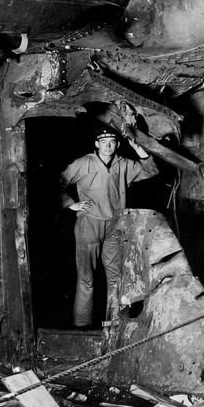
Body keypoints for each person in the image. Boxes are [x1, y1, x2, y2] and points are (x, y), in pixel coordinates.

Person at [60, 126, 159, 328]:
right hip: (90, 224)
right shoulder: (84, 163)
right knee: (86, 277)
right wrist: (70, 203)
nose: (108, 146)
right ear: (96, 144)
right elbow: (58, 182)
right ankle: (82, 325)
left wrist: (138, 148)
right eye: (103, 142)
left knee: (115, 277)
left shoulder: (123, 164)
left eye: (112, 142)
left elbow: (152, 170)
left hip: (115, 225)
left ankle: (115, 324)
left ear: (118, 144)